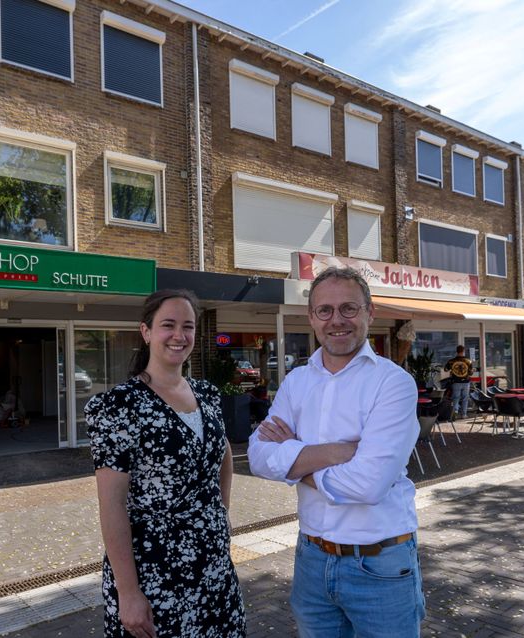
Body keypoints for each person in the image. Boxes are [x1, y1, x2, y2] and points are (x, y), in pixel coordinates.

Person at [248, 267, 424, 637]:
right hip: (311, 559)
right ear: (311, 317)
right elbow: (259, 457)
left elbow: (369, 484)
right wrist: (335, 452)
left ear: (369, 312)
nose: (336, 320)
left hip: (381, 565)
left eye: (348, 308)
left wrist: (293, 462)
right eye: (324, 310)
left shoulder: (393, 383)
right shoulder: (297, 381)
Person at [84, 289, 245, 638]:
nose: (179, 335)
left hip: (213, 564)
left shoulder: (206, 394)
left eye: (187, 326)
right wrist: (128, 592)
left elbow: (223, 454)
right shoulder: (118, 406)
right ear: (146, 332)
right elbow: (111, 504)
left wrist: (221, 513)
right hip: (154, 570)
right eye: (168, 325)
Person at [445, 345, 473, 419]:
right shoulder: (468, 361)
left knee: (455, 398)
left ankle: (455, 414)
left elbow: (445, 369)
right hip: (466, 382)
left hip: (455, 382)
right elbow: (470, 373)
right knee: (465, 398)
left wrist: (452, 370)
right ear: (463, 351)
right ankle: (464, 414)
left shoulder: (451, 361)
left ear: (456, 351)